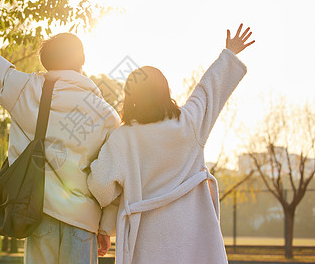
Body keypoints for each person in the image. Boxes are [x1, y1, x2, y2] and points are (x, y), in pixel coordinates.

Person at [0, 5, 119, 264]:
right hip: (82, 220)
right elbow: (108, 177)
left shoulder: (26, 90)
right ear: (82, 61)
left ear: (46, 61)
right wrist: (104, 227)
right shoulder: (106, 114)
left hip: (38, 213)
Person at [87, 24, 255, 264]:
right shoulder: (190, 124)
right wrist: (229, 54)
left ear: (130, 97)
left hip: (148, 241)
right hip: (193, 236)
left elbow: (100, 187)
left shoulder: (123, 138)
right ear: (165, 91)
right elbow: (208, 90)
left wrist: (106, 215)